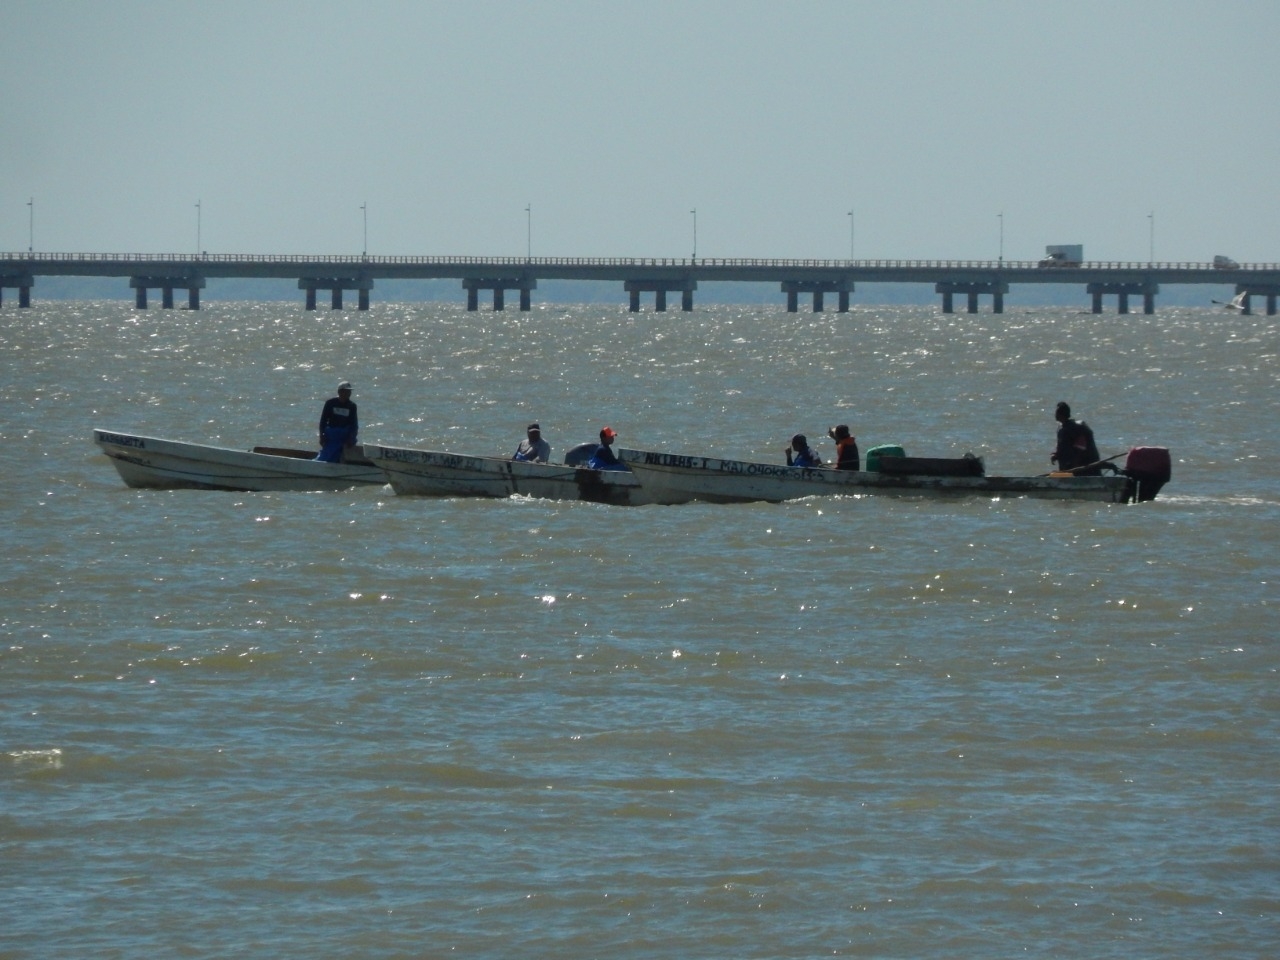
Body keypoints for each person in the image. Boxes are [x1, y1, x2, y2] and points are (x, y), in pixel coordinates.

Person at [1051, 401, 1102, 475]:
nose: (1055, 414)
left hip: (1081, 469)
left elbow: (1080, 448)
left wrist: (1074, 467)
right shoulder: (1061, 428)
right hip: (1067, 467)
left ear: (1062, 414)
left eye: (1057, 412)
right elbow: (1061, 445)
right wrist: (1055, 455)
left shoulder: (1077, 428)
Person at [316, 381, 358, 462]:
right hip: (332, 433)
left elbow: (354, 424)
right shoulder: (330, 403)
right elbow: (323, 421)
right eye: (346, 391)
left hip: (344, 434)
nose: (348, 393)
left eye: (349, 391)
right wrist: (322, 435)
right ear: (340, 392)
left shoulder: (352, 406)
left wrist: (351, 438)